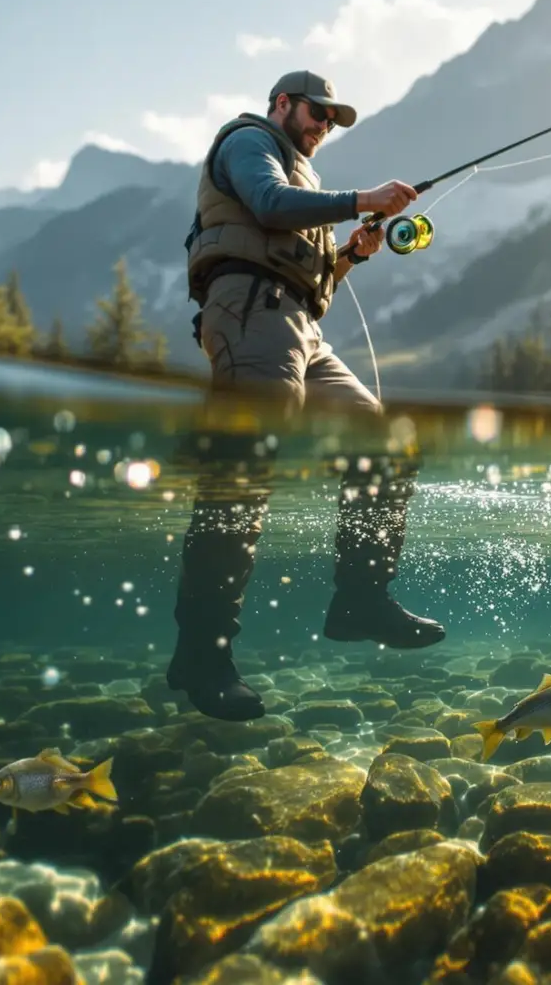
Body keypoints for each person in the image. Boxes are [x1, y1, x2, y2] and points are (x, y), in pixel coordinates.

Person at [167, 69, 444, 722]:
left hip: (295, 327)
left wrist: (351, 255)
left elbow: (307, 283)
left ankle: (359, 601)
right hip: (249, 317)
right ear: (283, 104)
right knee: (241, 480)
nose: (323, 126)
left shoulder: (307, 181)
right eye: (316, 113)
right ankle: (202, 656)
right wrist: (363, 199)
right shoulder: (249, 143)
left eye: (331, 120)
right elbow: (264, 206)